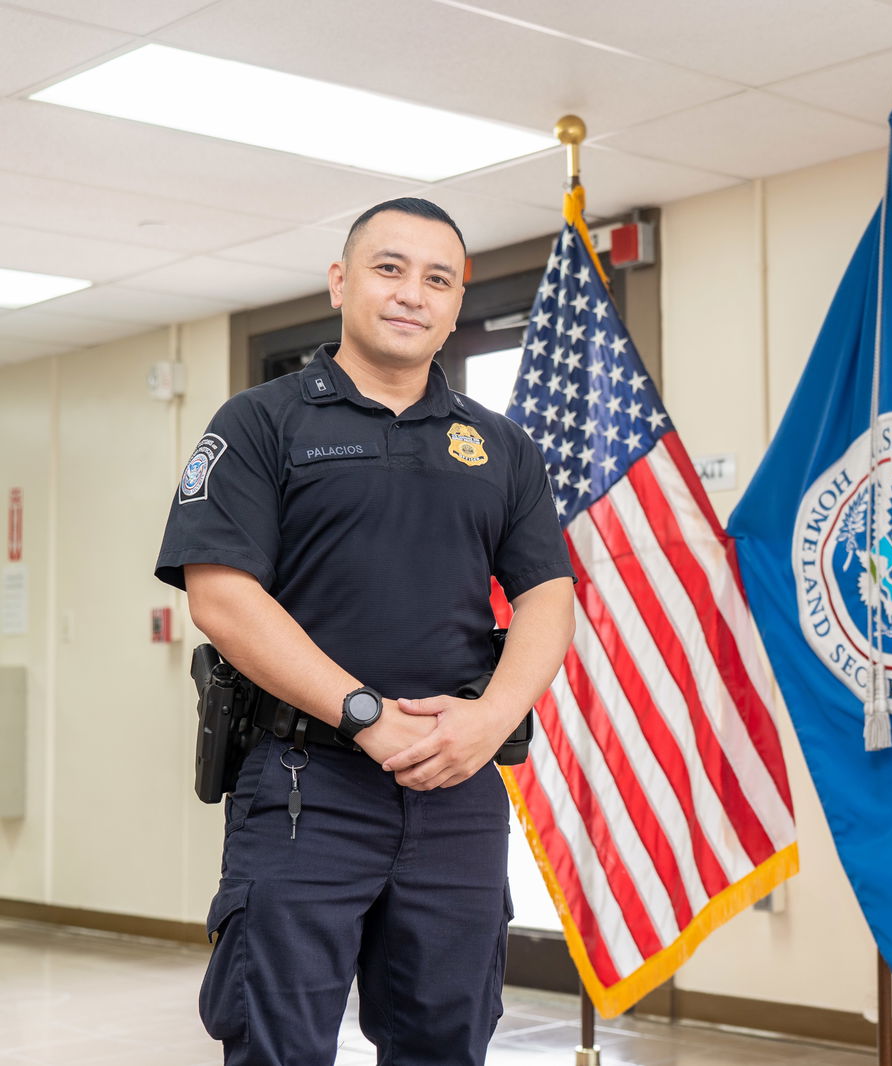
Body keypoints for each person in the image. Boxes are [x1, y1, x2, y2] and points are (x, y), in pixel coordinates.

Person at [155, 197, 576, 1065]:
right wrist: (366, 715)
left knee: (447, 1039)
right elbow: (223, 598)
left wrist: (492, 720)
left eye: (438, 279)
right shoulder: (261, 423)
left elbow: (548, 598)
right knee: (280, 1044)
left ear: (457, 305)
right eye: (389, 269)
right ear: (341, 281)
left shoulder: (500, 446)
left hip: (457, 787)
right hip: (309, 786)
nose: (412, 294)